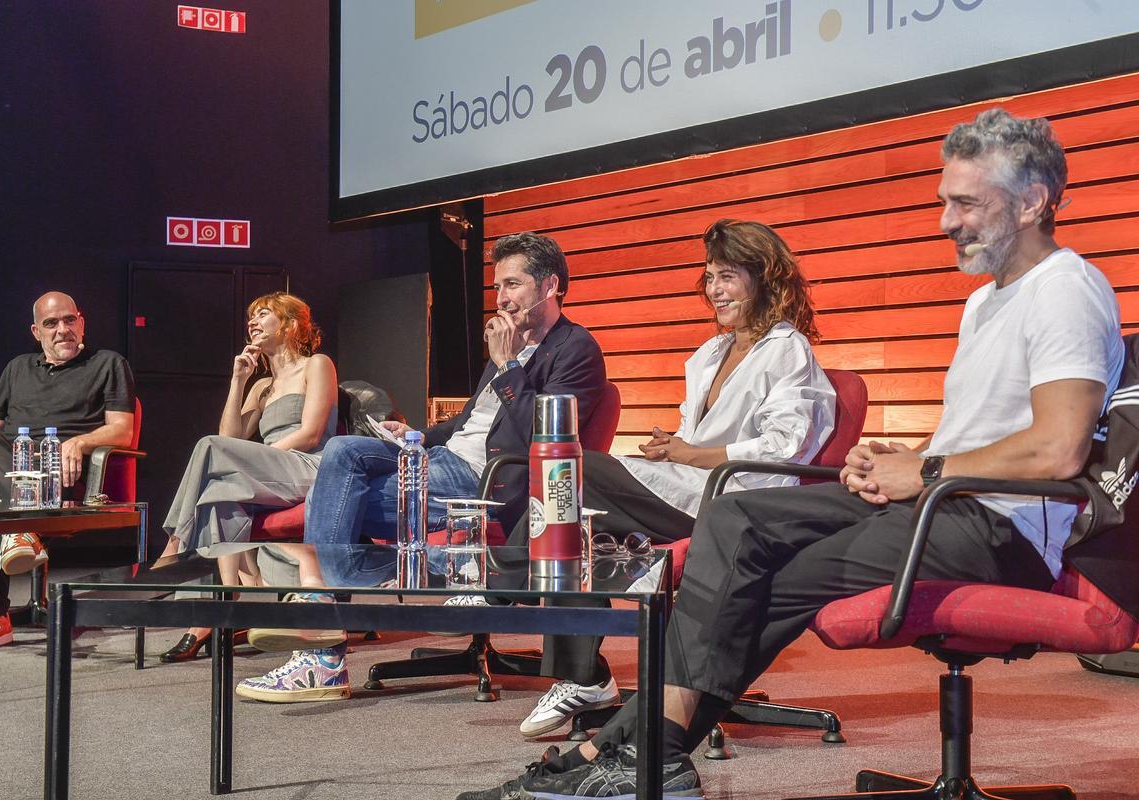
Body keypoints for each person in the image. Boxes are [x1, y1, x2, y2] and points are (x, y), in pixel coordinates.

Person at [458, 108, 1124, 800]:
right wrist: (904, 456)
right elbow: (988, 433)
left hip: (996, 527)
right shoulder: (986, 304)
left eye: (964, 202)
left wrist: (924, 470)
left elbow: (1059, 445)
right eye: (943, 202)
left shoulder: (1065, 290)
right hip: (946, 499)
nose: (945, 221)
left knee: (761, 582)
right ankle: (629, 748)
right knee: (737, 521)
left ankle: (628, 749)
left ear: (1032, 200)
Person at [234, 231, 609, 703]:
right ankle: (440, 571)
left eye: (513, 285)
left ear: (550, 286)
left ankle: (324, 643)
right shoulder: (508, 347)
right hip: (445, 458)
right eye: (498, 288)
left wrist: (510, 365)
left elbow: (545, 436)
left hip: (488, 478)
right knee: (343, 453)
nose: (502, 299)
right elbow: (470, 422)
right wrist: (413, 436)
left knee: (330, 504)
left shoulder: (575, 349)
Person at [512, 220, 836, 739]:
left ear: (764, 278)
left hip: (737, 502)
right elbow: (691, 437)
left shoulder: (787, 350)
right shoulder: (708, 355)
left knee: (576, 470)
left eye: (727, 277)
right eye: (709, 278)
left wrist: (692, 452)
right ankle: (582, 676)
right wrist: (674, 447)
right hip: (687, 486)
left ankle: (503, 583)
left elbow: (783, 448)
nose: (715, 291)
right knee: (576, 511)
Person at [0, 292, 136, 652]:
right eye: (51, 323)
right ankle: (21, 530)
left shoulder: (108, 363)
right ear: (36, 331)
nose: (62, 329)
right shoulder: (17, 368)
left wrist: (78, 442)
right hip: (12, 471)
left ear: (82, 322)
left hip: (60, 476)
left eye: (69, 320)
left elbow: (122, 430)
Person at [157, 291, 339, 662]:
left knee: (212, 453)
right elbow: (230, 439)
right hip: (269, 471)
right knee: (220, 487)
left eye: (264, 314)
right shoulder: (262, 386)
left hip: (308, 466)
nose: (252, 322)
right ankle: (226, 603)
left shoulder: (317, 365)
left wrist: (256, 458)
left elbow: (311, 434)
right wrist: (238, 380)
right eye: (250, 317)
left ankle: (175, 545)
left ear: (290, 325)